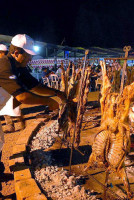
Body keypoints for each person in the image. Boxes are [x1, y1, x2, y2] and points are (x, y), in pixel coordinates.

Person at [0, 34, 66, 194]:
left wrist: (57, 93)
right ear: (16, 53)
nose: (30, 59)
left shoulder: (19, 67)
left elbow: (34, 86)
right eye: (28, 55)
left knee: (0, 142)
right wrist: (49, 102)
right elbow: (22, 96)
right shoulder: (4, 65)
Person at [0, 44, 23, 133]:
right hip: (5, 87)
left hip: (8, 87)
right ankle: (14, 123)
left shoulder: (8, 61)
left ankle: (16, 123)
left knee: (9, 106)